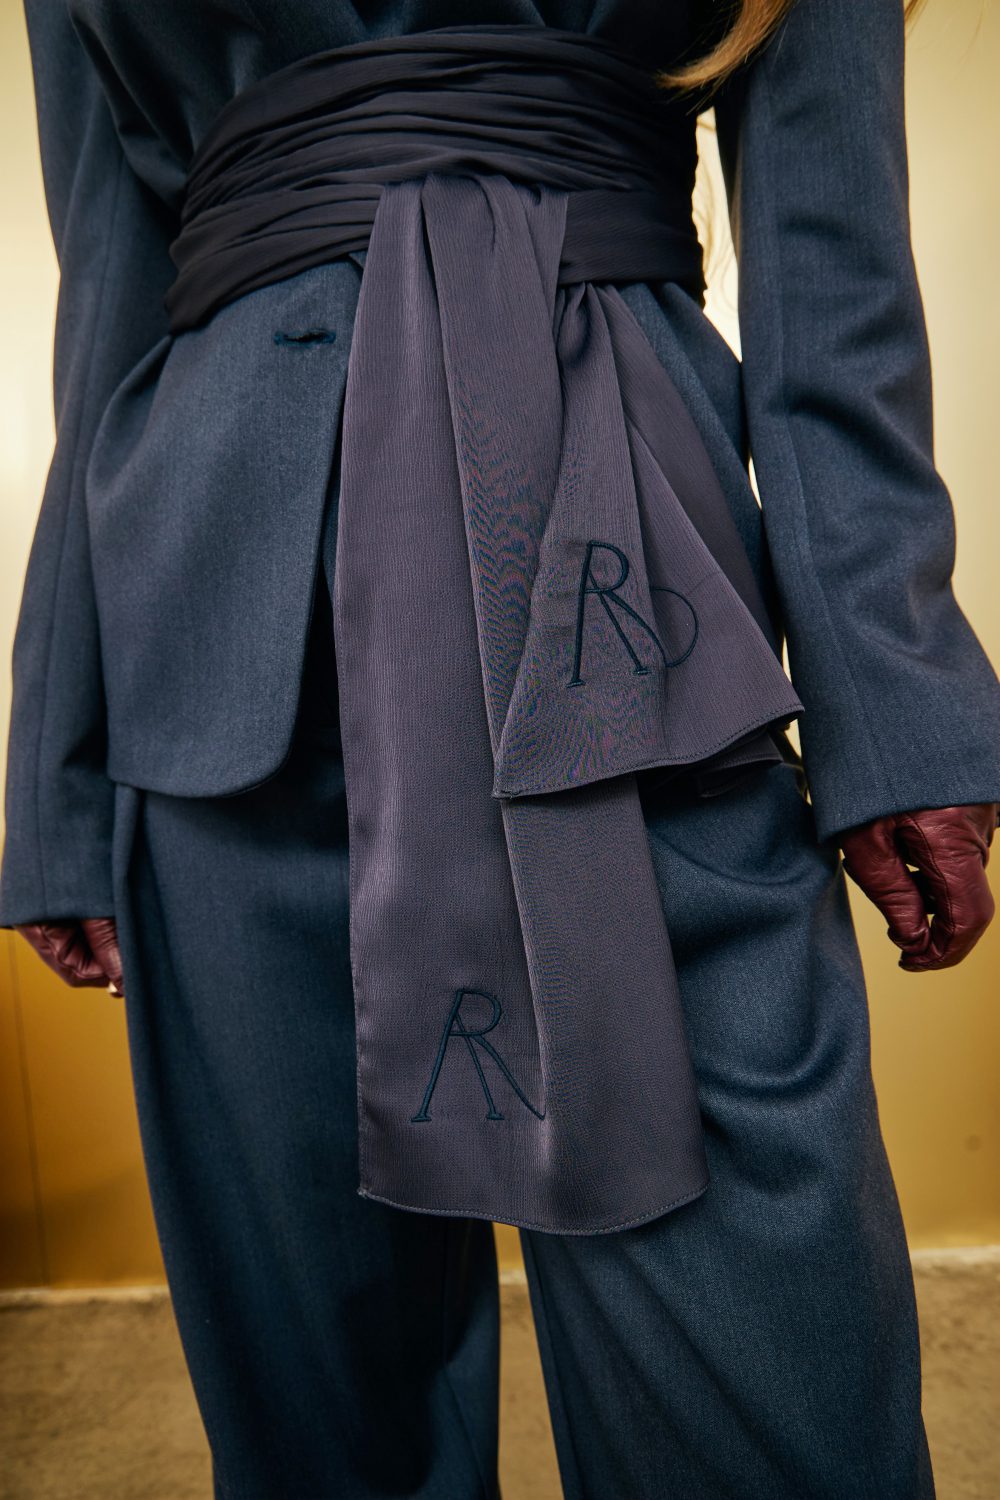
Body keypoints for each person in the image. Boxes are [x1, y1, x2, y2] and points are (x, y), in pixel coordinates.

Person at [3, 0, 999, 1495]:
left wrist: (898, 701)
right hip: (220, 637)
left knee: (771, 1403)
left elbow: (831, 255)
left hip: (625, 596)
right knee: (320, 1427)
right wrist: (60, 773)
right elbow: (110, 293)